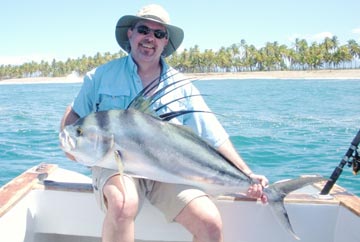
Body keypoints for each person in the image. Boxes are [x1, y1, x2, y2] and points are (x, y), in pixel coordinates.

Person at [60, 4, 268, 242]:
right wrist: (69, 138)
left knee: (210, 223)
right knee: (122, 203)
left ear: (165, 41)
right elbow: (74, 119)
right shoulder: (100, 76)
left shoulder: (182, 86)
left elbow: (214, 135)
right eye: (144, 30)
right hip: (115, 164)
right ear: (131, 33)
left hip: (167, 171)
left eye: (159, 34)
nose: (150, 38)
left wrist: (248, 174)